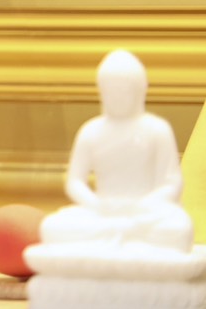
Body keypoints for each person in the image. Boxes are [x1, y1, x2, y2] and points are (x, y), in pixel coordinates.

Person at [37, 48, 195, 253]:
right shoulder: (91, 131)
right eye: (111, 91)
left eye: (124, 90)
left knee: (179, 228)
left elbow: (171, 183)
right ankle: (122, 237)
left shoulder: (157, 129)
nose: (117, 97)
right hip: (103, 211)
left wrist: (143, 206)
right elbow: (75, 181)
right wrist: (96, 204)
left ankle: (120, 238)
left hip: (145, 213)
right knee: (53, 227)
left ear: (138, 91)